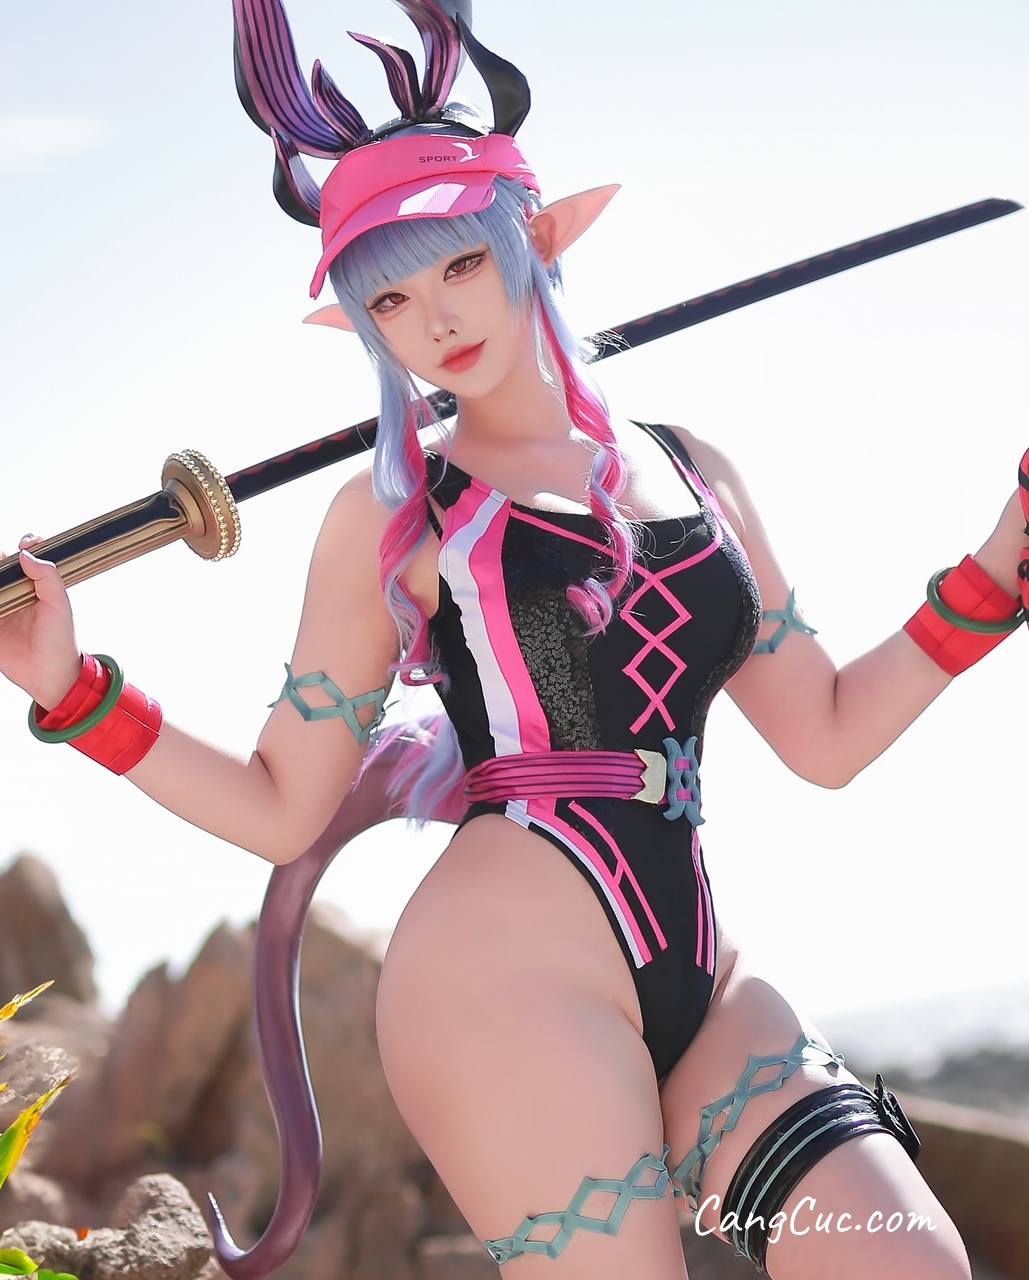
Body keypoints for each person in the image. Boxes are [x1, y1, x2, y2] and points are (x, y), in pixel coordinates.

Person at [1, 1, 1026, 1276]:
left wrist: (999, 565)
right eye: (392, 295)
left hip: (699, 966)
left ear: (530, 237)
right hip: (495, 987)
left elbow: (823, 733)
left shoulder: (694, 467)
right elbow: (279, 806)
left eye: (460, 264)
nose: (435, 318)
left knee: (911, 1260)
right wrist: (74, 689)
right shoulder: (394, 513)